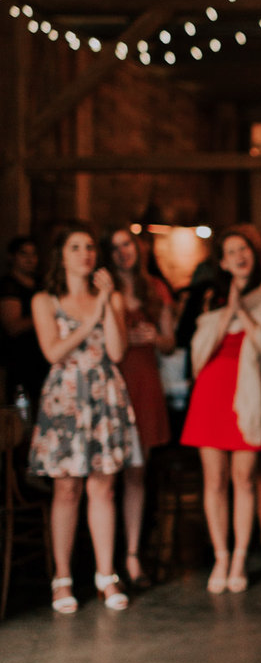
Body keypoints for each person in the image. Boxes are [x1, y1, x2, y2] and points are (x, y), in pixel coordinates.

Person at [28, 223, 141, 614]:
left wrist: (108, 302)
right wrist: (95, 312)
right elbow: (53, 351)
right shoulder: (45, 300)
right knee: (66, 490)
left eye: (90, 247)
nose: (85, 254)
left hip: (104, 393)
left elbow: (117, 350)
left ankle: (106, 575)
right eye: (75, 247)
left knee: (104, 488)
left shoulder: (109, 298)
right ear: (61, 254)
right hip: (65, 399)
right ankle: (62, 578)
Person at [181, 228, 261, 593]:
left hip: (250, 391)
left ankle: (239, 558)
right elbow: (197, 356)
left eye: (243, 248)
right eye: (231, 251)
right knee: (214, 480)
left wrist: (244, 314)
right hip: (212, 389)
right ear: (222, 262)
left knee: (244, 478)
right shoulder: (210, 297)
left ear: (253, 254)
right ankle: (220, 554)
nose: (239, 255)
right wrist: (226, 312)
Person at [108, 226, 176, 590]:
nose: (123, 252)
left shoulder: (155, 287)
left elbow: (169, 342)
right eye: (115, 246)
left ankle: (133, 556)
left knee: (137, 472)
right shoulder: (102, 288)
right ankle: (105, 557)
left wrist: (154, 337)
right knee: (106, 477)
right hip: (113, 384)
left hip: (146, 382)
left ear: (138, 248)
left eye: (128, 244)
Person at [0, 235, 48, 409]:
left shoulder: (41, 284)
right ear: (12, 257)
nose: (30, 259)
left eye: (33, 254)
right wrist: (45, 316)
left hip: (42, 360)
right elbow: (12, 326)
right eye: (24, 254)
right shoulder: (8, 286)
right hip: (19, 362)